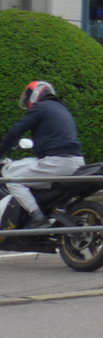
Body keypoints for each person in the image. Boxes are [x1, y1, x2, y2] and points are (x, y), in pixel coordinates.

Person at [0, 81, 85, 229]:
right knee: (31, 168)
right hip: (76, 161)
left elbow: (16, 131)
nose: (27, 103)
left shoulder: (41, 108)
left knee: (12, 179)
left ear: (34, 94)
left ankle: (37, 216)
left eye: (27, 98)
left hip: (57, 162)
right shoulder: (61, 108)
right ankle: (47, 213)